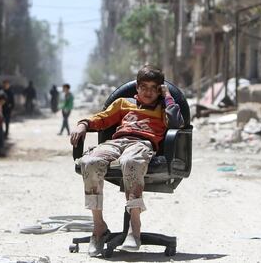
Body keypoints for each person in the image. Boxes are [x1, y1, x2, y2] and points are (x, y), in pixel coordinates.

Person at [69, 65, 184, 256]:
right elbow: (102, 119)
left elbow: (176, 123)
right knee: (89, 162)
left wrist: (167, 96)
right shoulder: (123, 103)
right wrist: (83, 124)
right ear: (137, 87)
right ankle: (98, 228)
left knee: (131, 162)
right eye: (144, 86)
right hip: (118, 142)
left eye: (153, 88)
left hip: (142, 144)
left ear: (159, 90)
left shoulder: (164, 108)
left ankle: (134, 226)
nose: (148, 92)